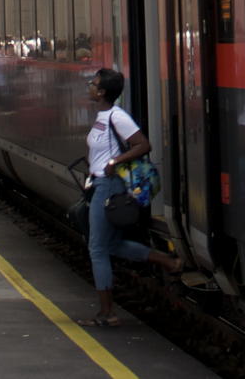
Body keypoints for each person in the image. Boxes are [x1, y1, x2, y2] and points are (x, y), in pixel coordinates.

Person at [80, 68, 180, 327]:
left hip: (109, 187)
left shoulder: (117, 116)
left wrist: (116, 160)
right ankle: (168, 262)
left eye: (94, 83)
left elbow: (143, 144)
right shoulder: (102, 116)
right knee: (111, 245)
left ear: (101, 92)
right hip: (99, 184)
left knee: (97, 248)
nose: (90, 86)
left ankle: (107, 313)